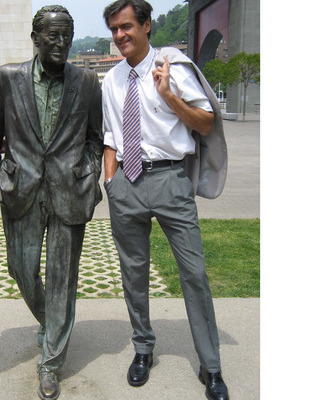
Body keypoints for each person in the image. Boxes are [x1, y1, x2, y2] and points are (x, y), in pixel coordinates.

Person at [101, 1, 229, 400]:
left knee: (194, 273)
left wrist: (168, 94)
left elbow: (205, 122)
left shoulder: (173, 65)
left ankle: (211, 366)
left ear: (146, 26)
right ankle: (143, 349)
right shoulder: (111, 80)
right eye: (114, 30)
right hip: (127, 183)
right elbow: (110, 136)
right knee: (133, 274)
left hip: (171, 179)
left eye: (126, 27)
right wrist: (111, 184)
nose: (121, 35)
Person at [0, 5, 103, 400]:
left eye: (67, 35)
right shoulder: (8, 77)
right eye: (53, 35)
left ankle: (50, 363)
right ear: (35, 38)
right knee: (20, 270)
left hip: (69, 191)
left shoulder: (86, 81)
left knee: (62, 282)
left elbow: (94, 139)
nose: (61, 43)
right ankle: (53, 325)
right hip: (22, 192)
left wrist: (87, 171)